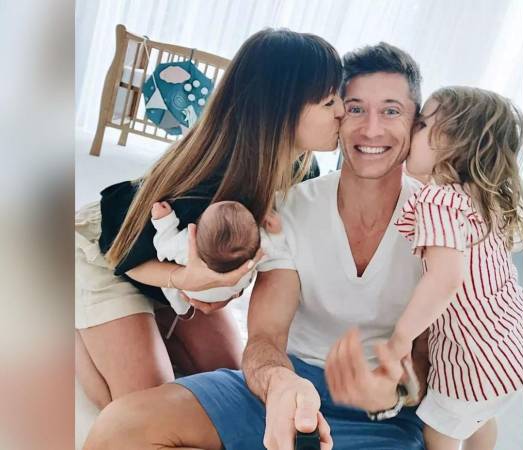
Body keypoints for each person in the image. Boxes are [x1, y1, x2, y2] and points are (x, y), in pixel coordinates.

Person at [84, 42, 430, 450]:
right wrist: (279, 380)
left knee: (214, 358)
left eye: (391, 111)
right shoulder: (274, 199)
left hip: (380, 418)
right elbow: (265, 333)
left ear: (416, 123)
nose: (369, 128)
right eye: (352, 107)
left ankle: (164, 322)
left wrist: (401, 388)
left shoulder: (441, 224)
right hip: (113, 251)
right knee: (122, 417)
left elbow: (440, 357)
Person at [75, 28, 343, 410]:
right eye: (330, 101)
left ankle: (152, 325)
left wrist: (221, 288)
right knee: (142, 407)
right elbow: (121, 248)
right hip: (112, 254)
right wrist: (182, 280)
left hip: (179, 275)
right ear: (283, 109)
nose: (342, 111)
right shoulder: (211, 179)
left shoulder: (305, 173)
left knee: (229, 384)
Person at [388, 86, 523, 450]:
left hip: (473, 361)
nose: (411, 131)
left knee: (439, 432)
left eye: (421, 125)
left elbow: (445, 279)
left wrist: (401, 337)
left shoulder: (438, 201)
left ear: (454, 144)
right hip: (512, 345)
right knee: (481, 417)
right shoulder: (481, 195)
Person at [150, 200, 286, 313]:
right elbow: (275, 251)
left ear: (196, 230)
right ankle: (181, 308)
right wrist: (277, 232)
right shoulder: (257, 251)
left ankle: (179, 307)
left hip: (191, 291)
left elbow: (163, 245)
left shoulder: (186, 247)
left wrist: (164, 221)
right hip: (226, 293)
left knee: (174, 291)